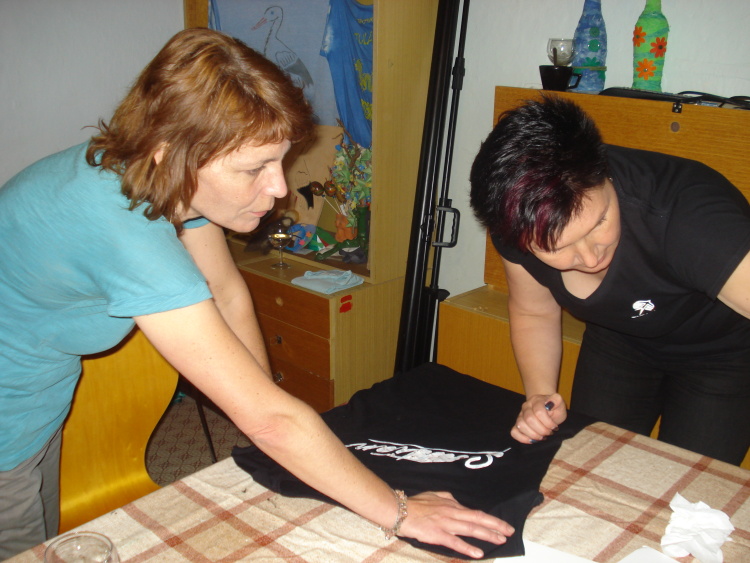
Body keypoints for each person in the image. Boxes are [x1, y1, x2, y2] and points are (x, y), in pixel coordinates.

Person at [0, 29, 514, 559]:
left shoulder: (162, 180)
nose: (279, 188)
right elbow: (272, 421)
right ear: (170, 154)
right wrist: (400, 511)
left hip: (38, 399)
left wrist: (262, 410)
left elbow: (227, 293)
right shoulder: (124, 232)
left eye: (280, 161)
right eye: (254, 169)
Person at [469, 95, 750, 466]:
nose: (590, 259)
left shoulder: (689, 218)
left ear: (605, 172)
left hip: (723, 355)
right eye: (558, 248)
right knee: (589, 469)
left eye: (599, 222)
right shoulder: (516, 220)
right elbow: (534, 311)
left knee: (689, 486)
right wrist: (539, 394)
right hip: (618, 340)